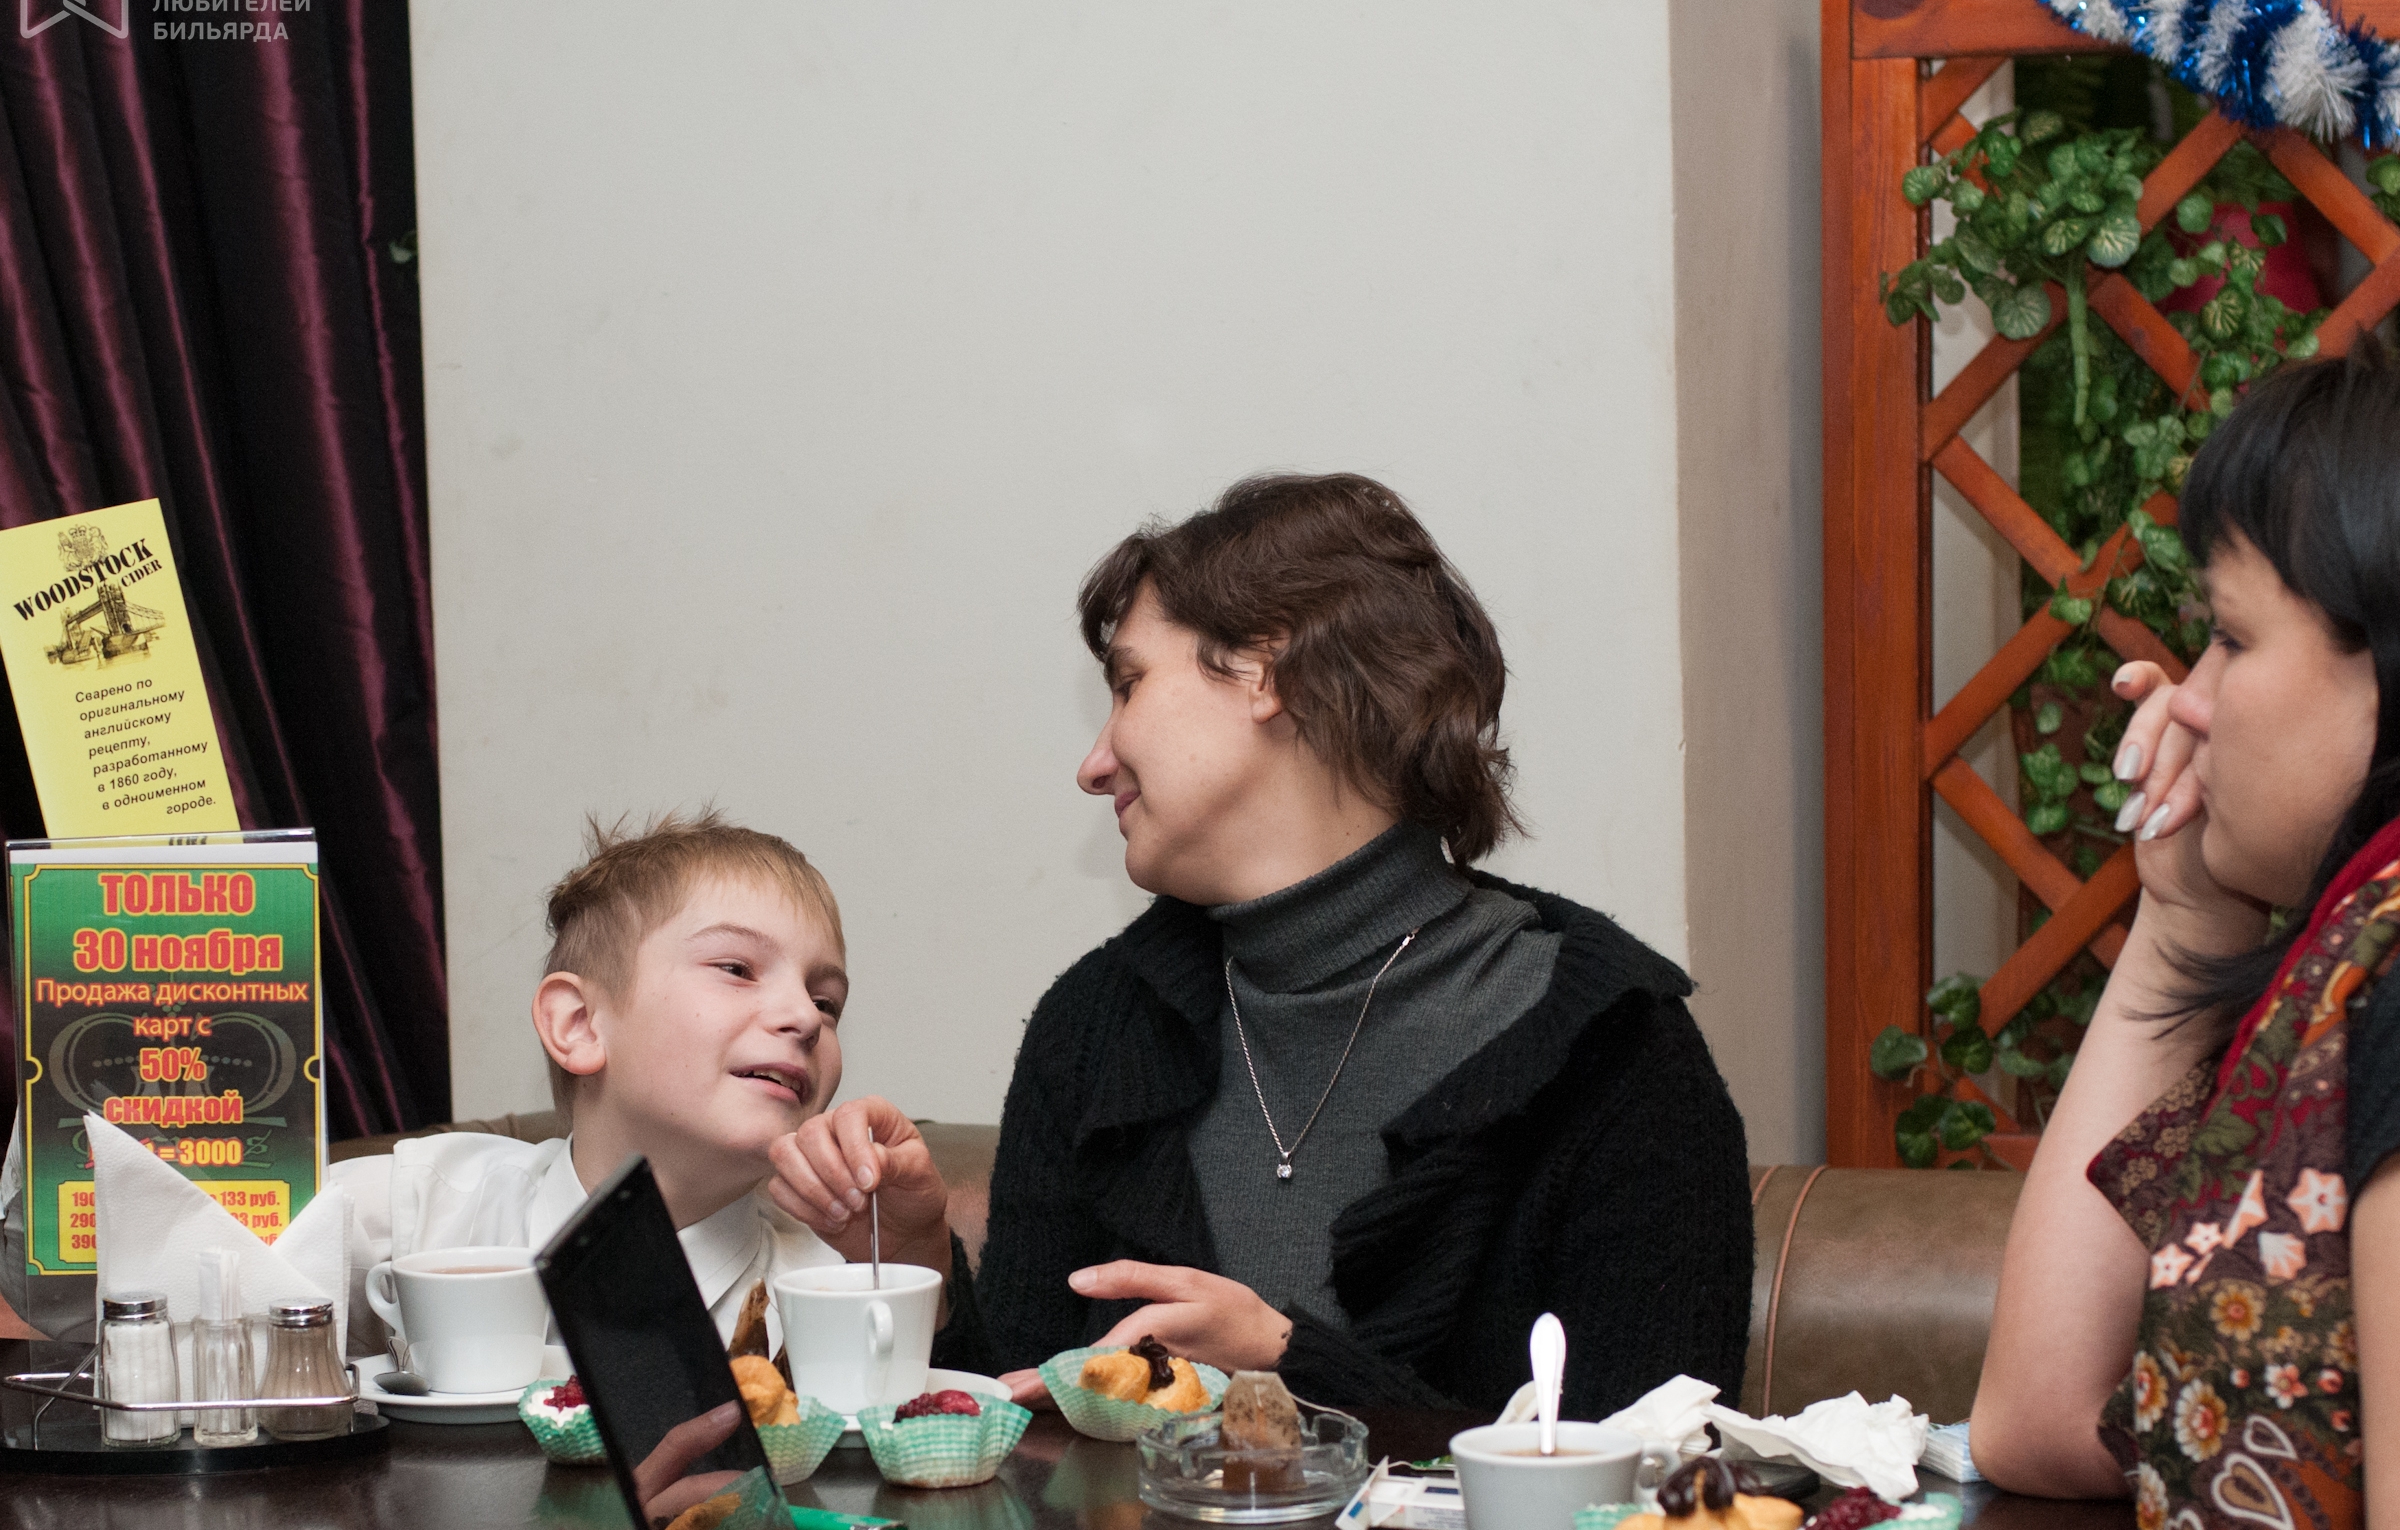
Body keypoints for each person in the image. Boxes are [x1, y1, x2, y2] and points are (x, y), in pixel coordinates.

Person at [771, 473, 1752, 1416]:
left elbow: (1651, 1478)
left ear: (1267, 671)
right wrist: (919, 1261)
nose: (1093, 763)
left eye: (1129, 684)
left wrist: (1290, 1363)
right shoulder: (1096, 1028)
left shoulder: (1610, 1047)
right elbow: (1021, 1444)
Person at [1972, 346, 2400, 1529]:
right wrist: (2178, 925)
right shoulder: (2357, 957)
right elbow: (2042, 1421)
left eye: (2232, 637)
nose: (2191, 697)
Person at [330, 810, 859, 1352]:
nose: (806, 1016)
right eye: (737, 970)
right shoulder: (412, 1210)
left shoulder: (836, 1293)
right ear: (579, 1025)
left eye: (826, 1003)